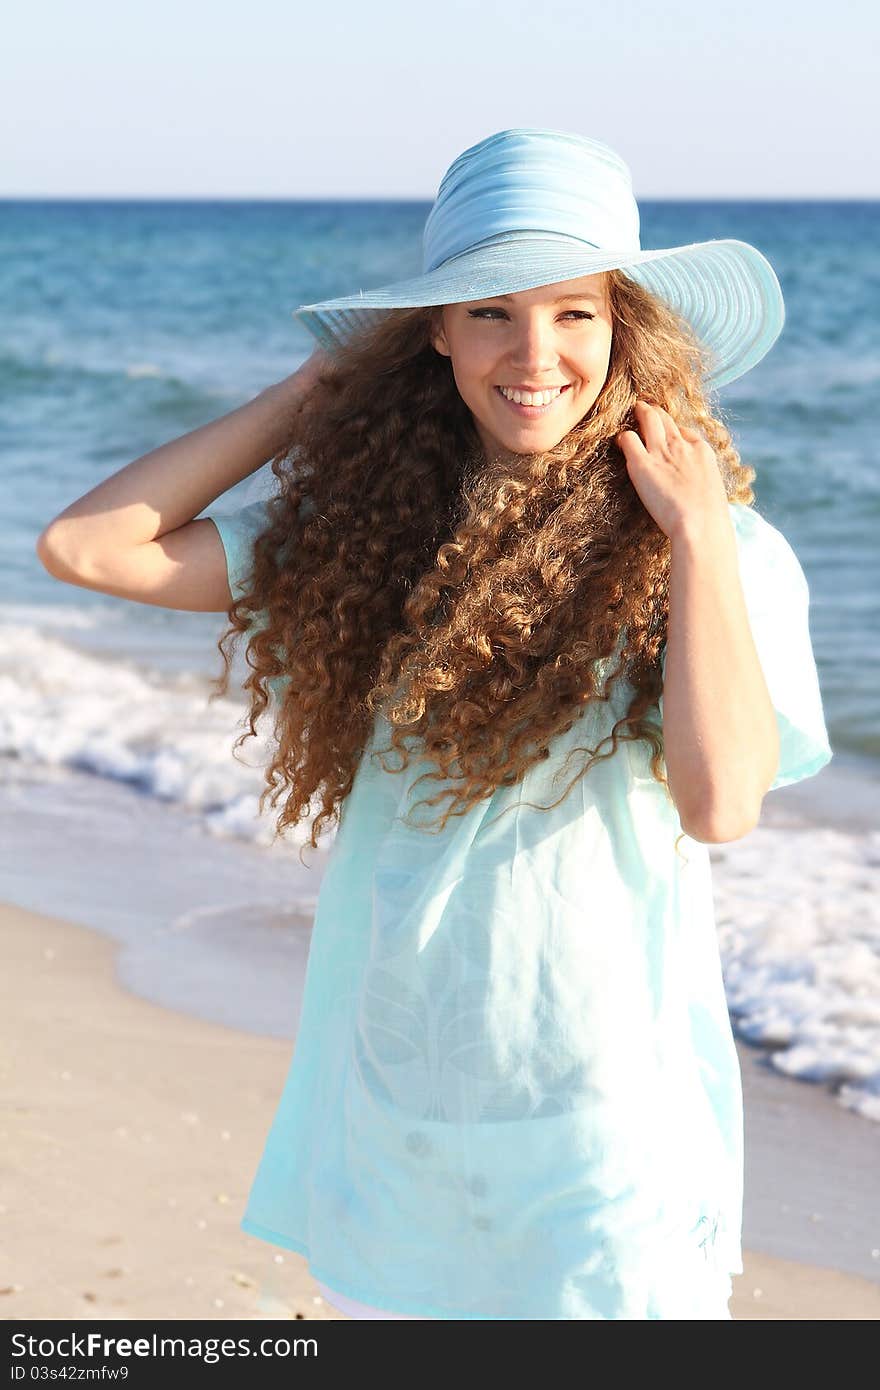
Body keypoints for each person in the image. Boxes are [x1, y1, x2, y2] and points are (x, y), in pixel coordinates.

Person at [37, 128, 833, 1321]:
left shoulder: (715, 556)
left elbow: (720, 804)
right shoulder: (367, 542)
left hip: (607, 1127)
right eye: (489, 312)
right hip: (398, 1114)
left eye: (574, 312)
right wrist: (316, 390)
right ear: (435, 331)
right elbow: (86, 547)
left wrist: (697, 536)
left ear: (623, 328)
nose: (535, 353)